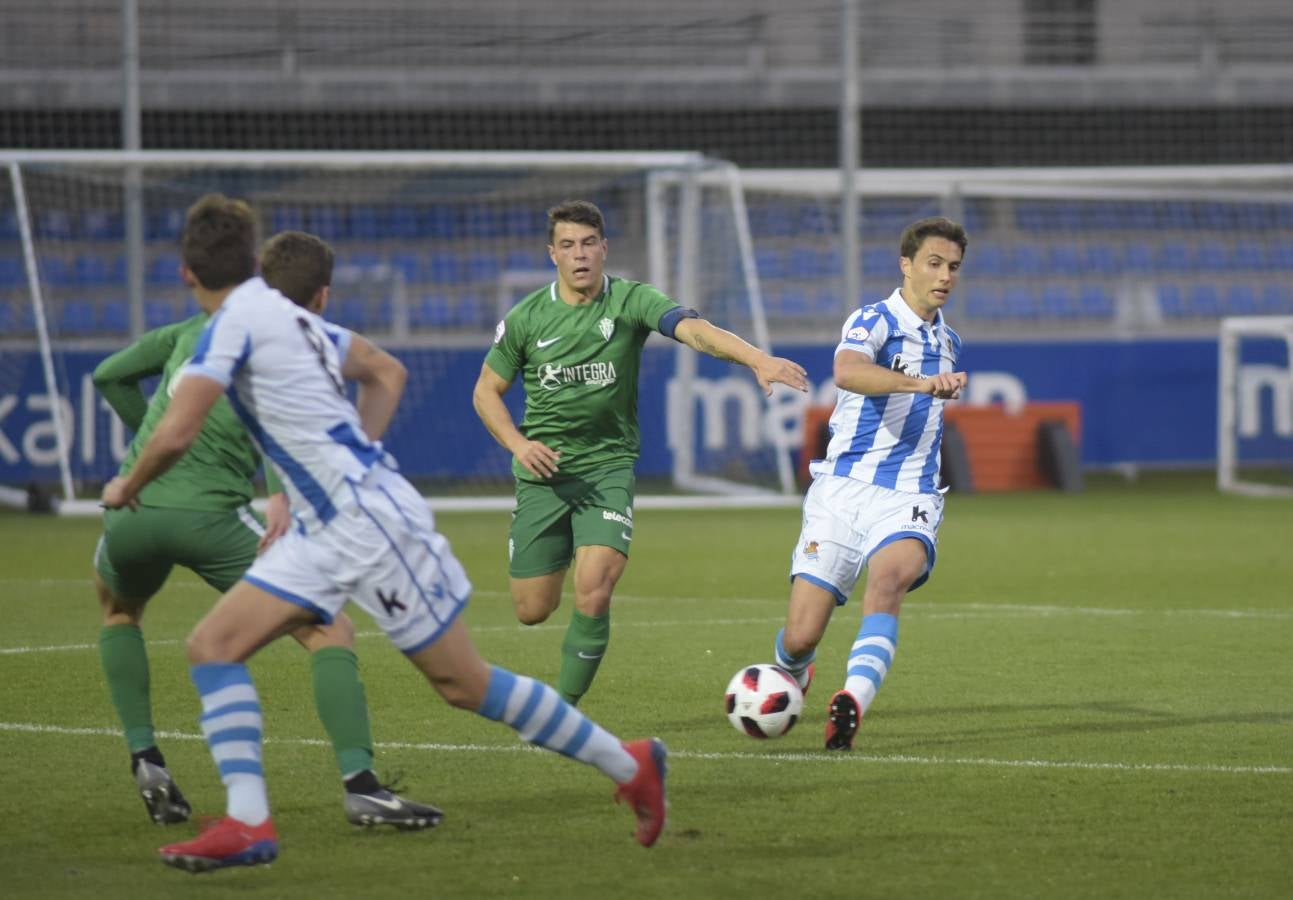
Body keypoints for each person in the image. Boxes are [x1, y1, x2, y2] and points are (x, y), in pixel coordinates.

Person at [100, 194, 668, 873]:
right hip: (322, 525)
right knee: (212, 645)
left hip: (368, 524)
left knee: (462, 684)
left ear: (187, 277)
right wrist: (340, 461)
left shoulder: (227, 329)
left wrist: (125, 486)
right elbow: (385, 371)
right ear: (252, 264)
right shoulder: (284, 315)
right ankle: (248, 822)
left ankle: (625, 762)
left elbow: (179, 426)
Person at [92, 228, 441, 829]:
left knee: (120, 612)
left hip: (132, 511)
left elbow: (110, 375)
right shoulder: (287, 343)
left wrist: (143, 444)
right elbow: (343, 395)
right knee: (328, 630)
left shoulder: (185, 333)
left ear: (190, 275)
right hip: (213, 517)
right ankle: (362, 785)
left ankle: (145, 756)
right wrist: (286, 492)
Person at [472, 199, 809, 705]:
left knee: (594, 588)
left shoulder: (630, 300)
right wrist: (518, 444)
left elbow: (693, 330)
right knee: (531, 609)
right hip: (544, 474)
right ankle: (557, 545)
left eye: (589, 243)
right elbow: (485, 392)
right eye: (568, 246)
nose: (579, 255)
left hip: (607, 468)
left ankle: (561, 714)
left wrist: (755, 358)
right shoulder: (526, 319)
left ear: (604, 249)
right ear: (552, 254)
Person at [767, 216, 969, 751]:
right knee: (801, 635)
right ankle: (795, 669)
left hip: (910, 495)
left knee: (888, 581)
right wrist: (923, 384)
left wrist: (931, 388)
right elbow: (848, 371)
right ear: (906, 265)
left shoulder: (948, 339)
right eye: (933, 263)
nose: (944, 275)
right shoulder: (874, 319)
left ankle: (851, 702)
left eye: (952, 266)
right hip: (841, 491)